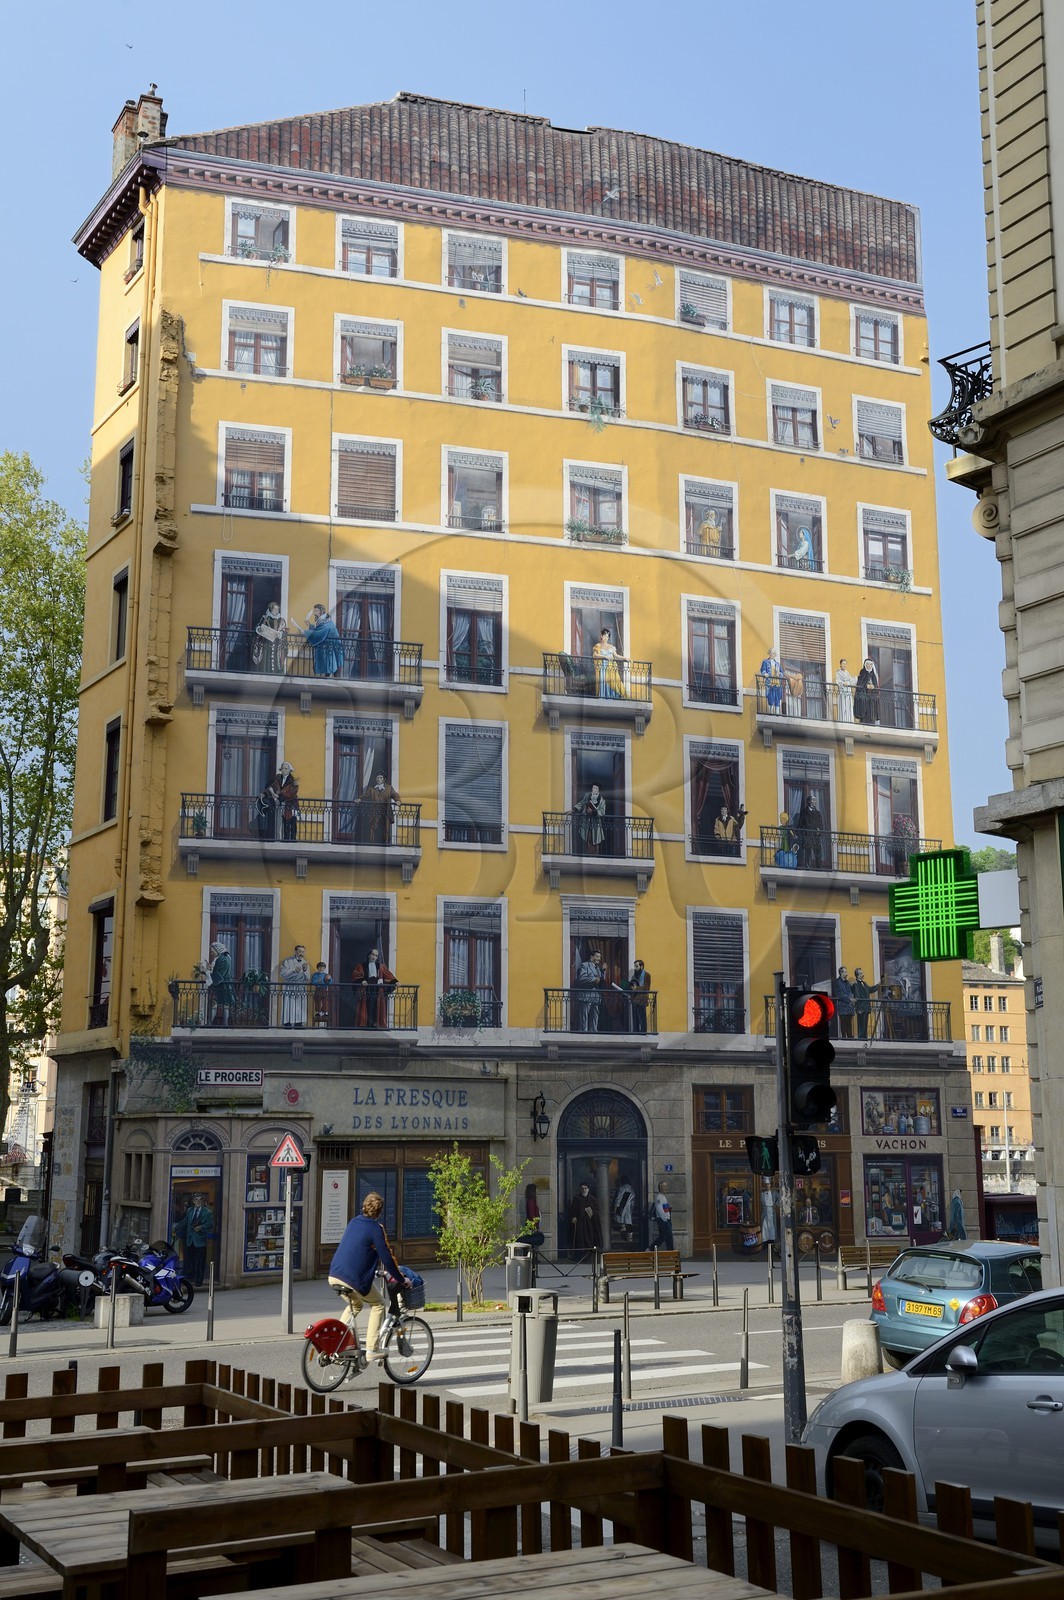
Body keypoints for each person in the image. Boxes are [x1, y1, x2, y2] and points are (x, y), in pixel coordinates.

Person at [328, 1191, 410, 1361]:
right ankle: (372, 1349)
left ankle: (337, 1342)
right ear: (379, 1212)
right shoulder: (375, 1229)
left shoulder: (353, 1222)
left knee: (356, 1305)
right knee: (379, 1304)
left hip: (334, 1274)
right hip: (353, 1279)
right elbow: (386, 1257)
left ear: (364, 1206)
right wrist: (401, 1279)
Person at [173, 1191, 214, 1287]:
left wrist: (201, 1227)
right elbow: (185, 1222)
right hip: (190, 1240)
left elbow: (210, 1225)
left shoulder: (207, 1212)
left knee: (200, 1262)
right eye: (196, 1200)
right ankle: (191, 1277)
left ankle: (199, 1281)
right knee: (190, 1261)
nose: (198, 1202)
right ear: (193, 1201)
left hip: (200, 1241)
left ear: (203, 1201)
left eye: (200, 1200)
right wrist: (176, 1227)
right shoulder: (190, 1210)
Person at [352, 947, 397, 1028]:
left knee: (376, 1009)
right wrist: (362, 980)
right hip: (366, 990)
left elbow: (388, 975)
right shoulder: (361, 965)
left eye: (376, 955)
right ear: (369, 955)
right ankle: (366, 1025)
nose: (374, 957)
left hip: (377, 990)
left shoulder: (381, 966)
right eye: (372, 954)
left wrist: (395, 982)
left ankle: (375, 1025)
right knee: (366, 1009)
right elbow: (356, 974)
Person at [298, 604, 343, 677]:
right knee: (329, 667)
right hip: (329, 648)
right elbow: (319, 630)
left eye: (317, 611)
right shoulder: (323, 620)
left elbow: (320, 633)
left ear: (321, 612)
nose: (315, 613)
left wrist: (304, 632)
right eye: (314, 611)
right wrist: (309, 625)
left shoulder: (326, 621)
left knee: (333, 668)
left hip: (333, 648)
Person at [360, 773, 400, 845]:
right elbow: (365, 796)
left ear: (384, 779)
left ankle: (386, 843)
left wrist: (397, 801)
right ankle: (373, 843)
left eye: (380, 778)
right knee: (373, 828)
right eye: (377, 778)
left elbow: (395, 795)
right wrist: (359, 799)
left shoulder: (389, 788)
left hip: (386, 812)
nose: (378, 779)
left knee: (386, 829)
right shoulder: (372, 789)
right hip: (375, 812)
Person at [278, 944, 310, 1027]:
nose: (301, 953)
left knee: (300, 1006)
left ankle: (298, 1024)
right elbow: (282, 975)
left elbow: (307, 977)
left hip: (300, 986)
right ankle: (287, 1023)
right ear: (295, 951)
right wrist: (294, 971)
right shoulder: (287, 961)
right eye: (299, 951)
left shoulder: (305, 963)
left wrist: (305, 969)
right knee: (289, 1006)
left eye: (303, 952)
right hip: (289, 986)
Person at [253, 601, 288, 674]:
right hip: (266, 645)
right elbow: (258, 627)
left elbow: (284, 631)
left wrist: (281, 634)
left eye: (277, 610)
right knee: (266, 662)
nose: (276, 611)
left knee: (276, 662)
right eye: (275, 609)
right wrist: (260, 629)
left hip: (277, 646)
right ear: (271, 610)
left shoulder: (281, 620)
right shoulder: (265, 618)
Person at [574, 950, 604, 1032]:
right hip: (586, 995)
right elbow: (581, 978)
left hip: (595, 996)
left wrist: (603, 972)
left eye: (600, 957)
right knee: (584, 1015)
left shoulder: (598, 968)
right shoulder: (585, 965)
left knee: (595, 1014)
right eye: (597, 956)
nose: (599, 959)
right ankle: (583, 1031)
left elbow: (600, 981)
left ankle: (594, 1030)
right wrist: (594, 979)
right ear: (591, 957)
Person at [592, 628, 627, 698]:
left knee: (613, 682)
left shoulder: (611, 647)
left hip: (611, 668)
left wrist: (624, 658)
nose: (604, 637)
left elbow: (616, 656)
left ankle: (613, 696)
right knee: (603, 681)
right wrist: (605, 657)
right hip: (602, 668)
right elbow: (595, 655)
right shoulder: (598, 646)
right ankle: (603, 697)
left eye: (606, 636)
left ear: (608, 638)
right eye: (603, 635)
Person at [569, 1182, 603, 1254]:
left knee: (590, 1238)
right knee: (580, 1238)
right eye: (582, 1188)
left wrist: (592, 1212)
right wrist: (574, 1217)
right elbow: (573, 1210)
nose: (584, 1190)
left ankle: (589, 1254)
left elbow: (597, 1211)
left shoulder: (593, 1199)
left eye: (585, 1188)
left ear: (588, 1189)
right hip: (580, 1223)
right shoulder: (577, 1198)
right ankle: (581, 1254)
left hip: (590, 1223)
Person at [574, 784, 608, 854]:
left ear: (598, 790)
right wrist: (573, 809)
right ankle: (588, 854)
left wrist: (594, 812)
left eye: (596, 788)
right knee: (588, 839)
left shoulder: (602, 801)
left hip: (596, 824)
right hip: (587, 822)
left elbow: (602, 812)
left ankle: (595, 855)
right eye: (594, 788)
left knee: (596, 841)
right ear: (592, 789)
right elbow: (581, 803)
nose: (595, 789)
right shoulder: (587, 796)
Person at [207, 940, 234, 1026]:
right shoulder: (222, 957)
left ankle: (223, 1025)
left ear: (217, 949)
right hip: (221, 985)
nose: (211, 954)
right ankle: (211, 1024)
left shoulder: (224, 958)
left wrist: (208, 973)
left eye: (212, 951)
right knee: (219, 1004)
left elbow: (220, 974)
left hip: (223, 985)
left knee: (224, 1004)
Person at [796, 793, 826, 870]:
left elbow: (821, 824)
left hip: (816, 836)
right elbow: (801, 823)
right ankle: (807, 866)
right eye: (813, 800)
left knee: (818, 853)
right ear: (809, 801)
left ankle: (818, 867)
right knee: (808, 852)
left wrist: (820, 830)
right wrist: (797, 833)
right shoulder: (804, 812)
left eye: (816, 800)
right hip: (807, 835)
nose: (815, 802)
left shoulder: (818, 813)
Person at [273, 763, 300, 842]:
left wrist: (280, 794)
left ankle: (293, 839)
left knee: (293, 822)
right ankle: (286, 839)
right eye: (282, 769)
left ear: (289, 770)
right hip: (284, 804)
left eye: (285, 769)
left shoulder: (294, 781)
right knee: (285, 822)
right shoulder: (279, 780)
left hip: (292, 805)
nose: (283, 770)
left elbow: (292, 793)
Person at [853, 967, 880, 1040]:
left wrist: (878, 985)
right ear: (857, 975)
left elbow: (870, 989)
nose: (863, 974)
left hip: (866, 1007)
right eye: (861, 973)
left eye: (862, 973)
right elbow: (856, 995)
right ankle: (861, 1039)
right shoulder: (856, 983)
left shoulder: (864, 983)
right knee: (861, 1025)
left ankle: (864, 1038)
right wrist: (858, 1007)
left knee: (865, 1024)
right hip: (861, 1007)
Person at [626, 959, 651, 1034]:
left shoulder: (647, 975)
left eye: (636, 966)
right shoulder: (634, 975)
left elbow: (646, 987)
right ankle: (635, 1032)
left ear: (642, 966)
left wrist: (636, 988)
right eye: (634, 966)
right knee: (635, 1018)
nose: (635, 968)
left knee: (642, 1018)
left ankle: (643, 1033)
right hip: (635, 999)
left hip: (642, 999)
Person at [854, 657, 880, 725]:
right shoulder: (862, 673)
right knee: (864, 712)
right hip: (864, 697)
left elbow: (876, 686)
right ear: (865, 665)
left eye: (870, 664)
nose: (869, 666)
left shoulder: (873, 675)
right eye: (868, 664)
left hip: (871, 698)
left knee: (871, 712)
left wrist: (873, 687)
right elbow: (859, 685)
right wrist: (866, 686)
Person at [833, 966, 856, 1038]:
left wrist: (852, 999)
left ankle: (849, 1037)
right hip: (842, 1006)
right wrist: (850, 999)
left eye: (846, 972)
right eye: (845, 972)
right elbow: (840, 994)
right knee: (843, 1024)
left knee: (849, 1024)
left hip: (849, 1007)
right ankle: (844, 1038)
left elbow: (850, 993)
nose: (847, 973)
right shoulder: (837, 982)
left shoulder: (847, 982)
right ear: (841, 973)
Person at [613, 1175, 636, 1241]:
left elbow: (618, 1198)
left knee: (625, 1220)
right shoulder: (630, 1187)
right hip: (629, 1205)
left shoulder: (622, 1188)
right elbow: (633, 1196)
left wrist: (616, 1206)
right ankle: (629, 1236)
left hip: (624, 1205)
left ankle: (628, 1235)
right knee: (628, 1220)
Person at [310, 961, 332, 1027]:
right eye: (319, 967)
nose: (321, 969)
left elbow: (330, 982)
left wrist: (329, 979)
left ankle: (325, 1012)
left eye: (322, 967)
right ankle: (318, 1012)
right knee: (317, 1000)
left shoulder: (326, 975)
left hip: (324, 989)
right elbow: (313, 982)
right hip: (318, 989)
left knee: (325, 1000)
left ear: (324, 968)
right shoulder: (315, 975)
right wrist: (317, 982)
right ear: (317, 968)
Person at [652, 1181, 673, 1250]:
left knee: (662, 1237)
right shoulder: (659, 1198)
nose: (665, 1188)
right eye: (664, 1187)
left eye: (666, 1186)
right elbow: (659, 1210)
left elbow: (664, 1209)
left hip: (666, 1219)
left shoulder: (663, 1197)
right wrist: (666, 1219)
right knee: (669, 1237)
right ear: (660, 1188)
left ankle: (650, 1249)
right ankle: (671, 1253)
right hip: (663, 1220)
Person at [523, 1182, 545, 1249]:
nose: (537, 1192)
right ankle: (532, 1258)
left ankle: (533, 1257)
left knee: (532, 1244)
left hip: (533, 1226)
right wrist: (534, 1226)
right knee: (531, 1243)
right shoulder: (531, 1202)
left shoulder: (532, 1201)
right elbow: (532, 1215)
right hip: (532, 1226)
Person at [835, 658, 856, 723]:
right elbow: (837, 681)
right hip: (842, 691)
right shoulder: (838, 673)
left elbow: (851, 681)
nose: (844, 665)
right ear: (840, 665)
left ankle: (849, 720)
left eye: (845, 664)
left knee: (848, 706)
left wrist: (854, 679)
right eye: (843, 663)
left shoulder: (847, 673)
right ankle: (843, 720)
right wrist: (843, 683)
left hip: (848, 691)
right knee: (842, 706)